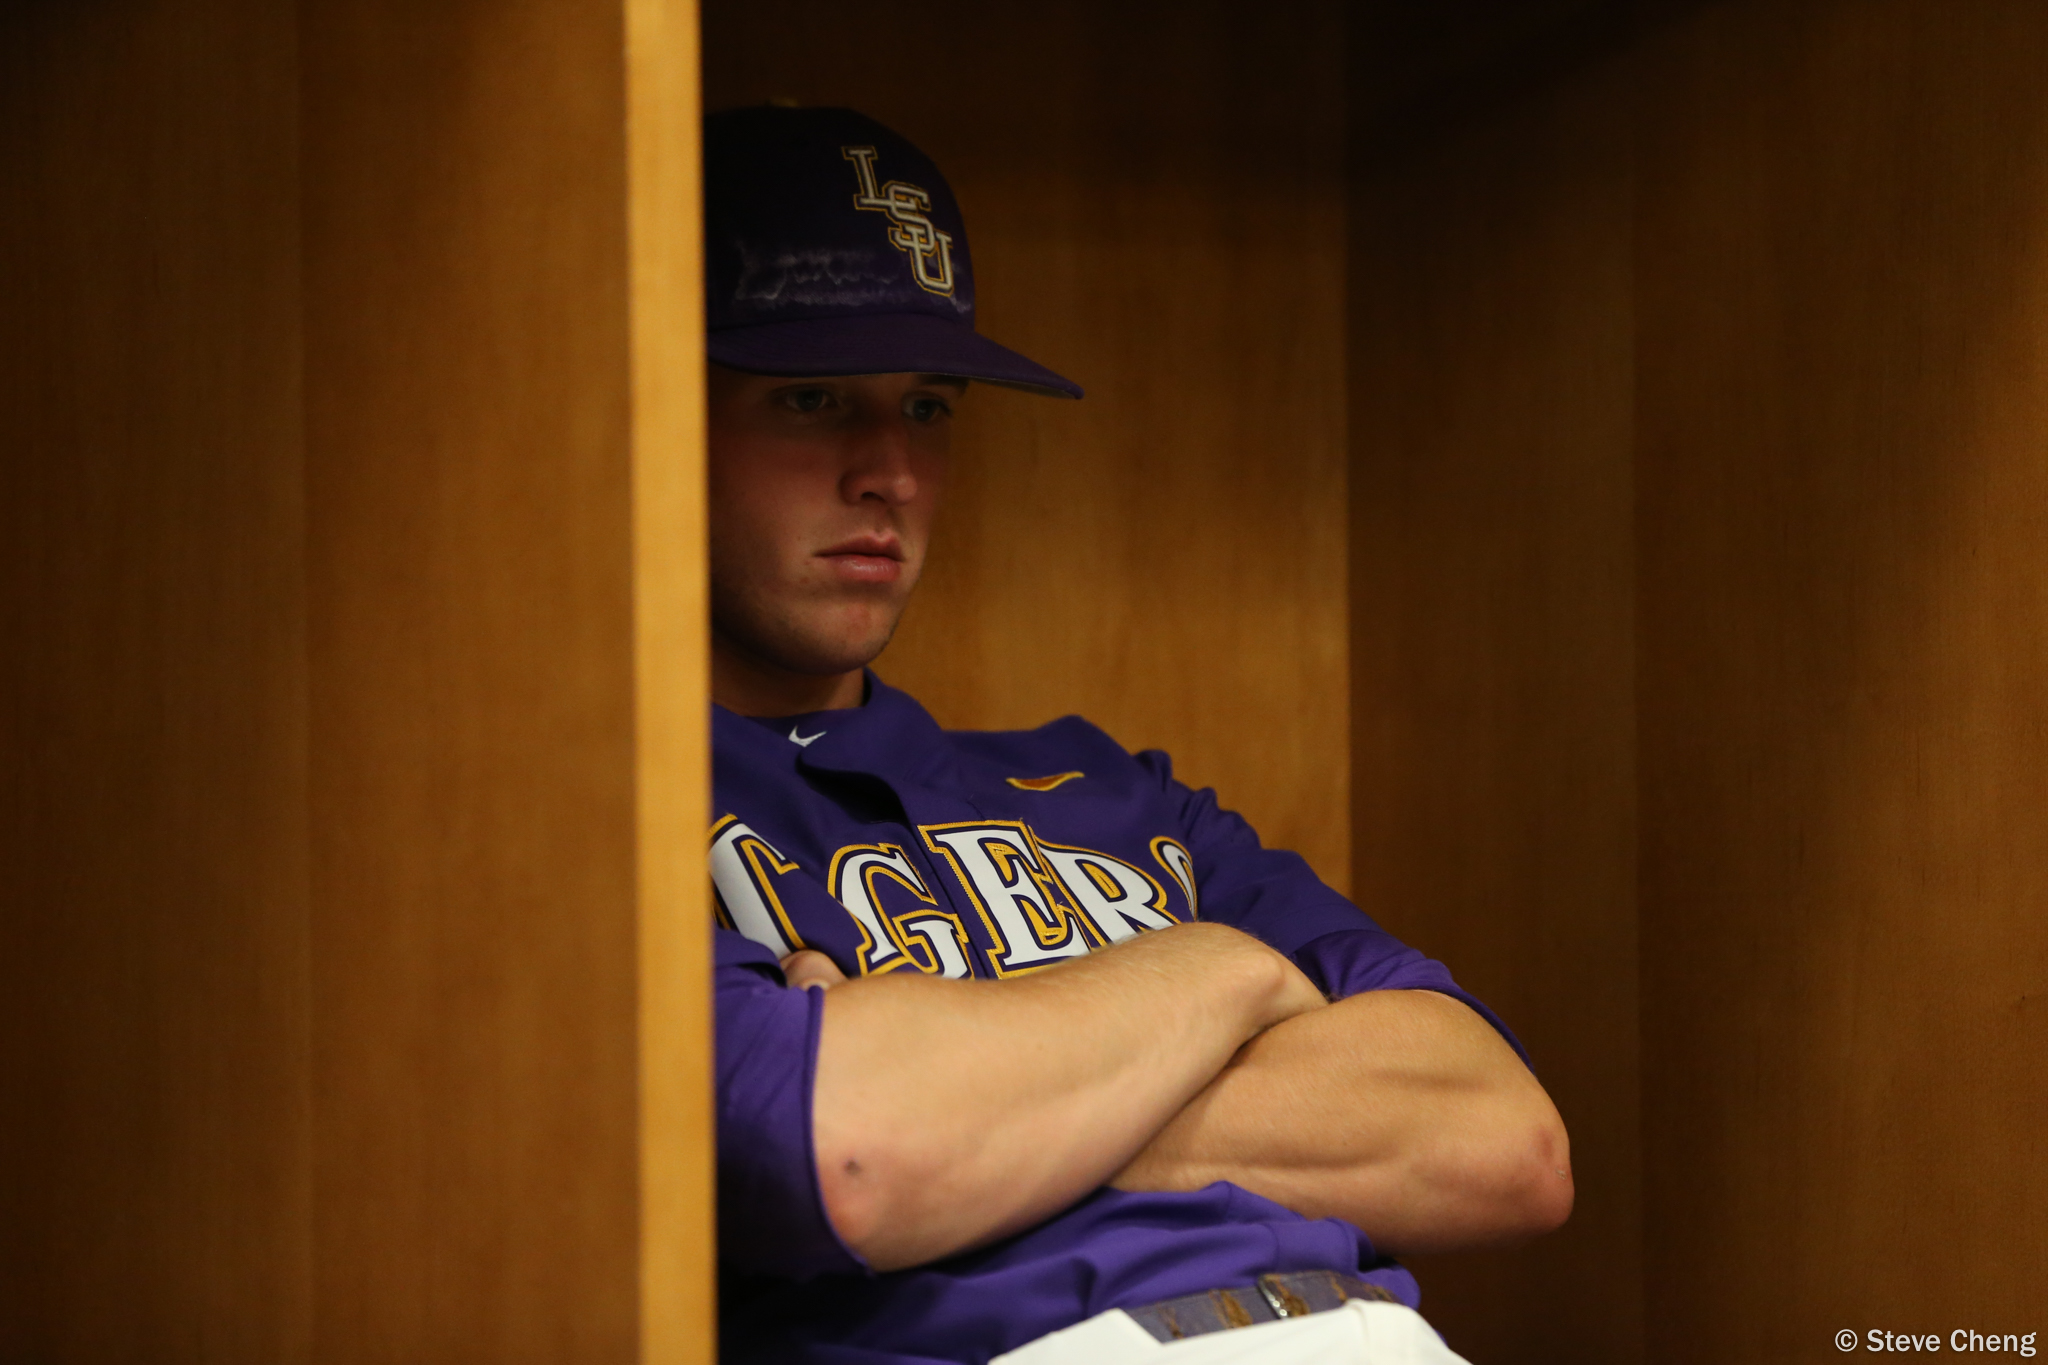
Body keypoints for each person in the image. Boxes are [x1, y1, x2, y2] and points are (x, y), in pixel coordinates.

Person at [705, 106, 1572, 1365]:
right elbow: (851, 1156)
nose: (887, 470)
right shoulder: (613, 824)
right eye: (810, 397)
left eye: (929, 407)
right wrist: (1225, 978)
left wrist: (987, 1112)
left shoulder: (1110, 790)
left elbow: (1504, 1145)